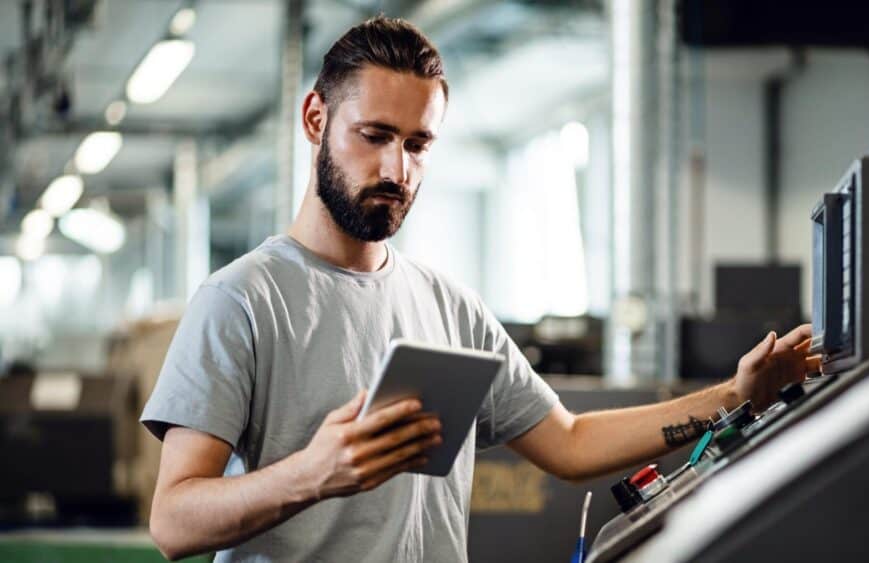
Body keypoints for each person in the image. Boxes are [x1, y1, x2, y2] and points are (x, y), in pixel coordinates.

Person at [141, 16, 819, 563]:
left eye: (418, 143)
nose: (396, 169)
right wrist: (312, 471)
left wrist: (732, 398)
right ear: (316, 119)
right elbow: (173, 521)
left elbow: (571, 441)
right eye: (373, 135)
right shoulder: (242, 300)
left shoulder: (450, 305)